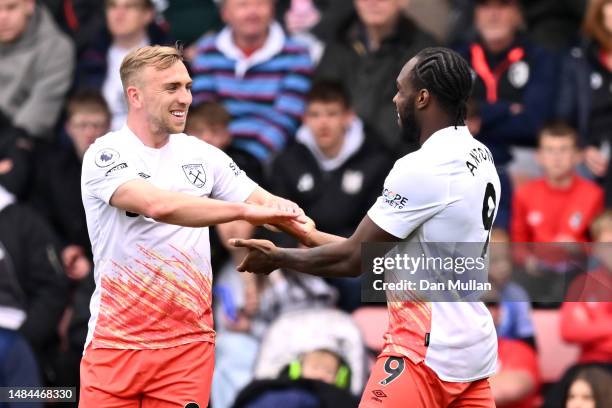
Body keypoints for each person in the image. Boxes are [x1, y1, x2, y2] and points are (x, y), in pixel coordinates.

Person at [231, 47, 502, 407]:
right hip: (473, 347)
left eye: (401, 89)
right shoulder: (480, 156)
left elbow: (353, 261)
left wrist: (279, 258)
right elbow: (385, 253)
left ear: (422, 98)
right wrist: (309, 235)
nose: (394, 98)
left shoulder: (422, 167)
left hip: (426, 350)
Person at [78, 45, 308, 408]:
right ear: (134, 95)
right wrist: (244, 212)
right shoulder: (105, 154)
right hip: (116, 345)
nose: (185, 97)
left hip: (187, 349)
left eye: (187, 86)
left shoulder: (202, 155)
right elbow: (159, 205)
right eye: (171, 88)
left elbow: (267, 204)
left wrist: (341, 245)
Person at [191, 0, 314, 161]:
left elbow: (287, 118)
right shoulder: (207, 50)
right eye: (243, 5)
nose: (252, 13)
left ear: (272, 9)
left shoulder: (297, 54)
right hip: (215, 151)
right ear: (225, 13)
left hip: (269, 158)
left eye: (260, 4)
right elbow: (204, 111)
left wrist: (250, 157)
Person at [316, 0, 437, 154]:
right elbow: (320, 104)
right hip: (337, 159)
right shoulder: (338, 42)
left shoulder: (425, 52)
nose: (373, 2)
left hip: (397, 162)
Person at [77, 0, 172, 130]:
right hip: (102, 145)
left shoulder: (169, 59)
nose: (119, 14)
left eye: (129, 6)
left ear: (148, 14)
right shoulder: (90, 58)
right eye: (112, 6)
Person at [511, 122, 604, 243]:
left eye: (564, 150)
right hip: (535, 261)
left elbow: (601, 246)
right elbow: (517, 244)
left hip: (578, 261)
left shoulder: (594, 194)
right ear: (539, 157)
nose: (556, 157)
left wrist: (579, 250)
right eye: (550, 150)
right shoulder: (524, 194)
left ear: (577, 156)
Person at [0, 0, 75, 141]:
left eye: (11, 7)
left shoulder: (56, 48)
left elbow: (36, 118)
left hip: (27, 146)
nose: (3, 17)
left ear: (29, 5)